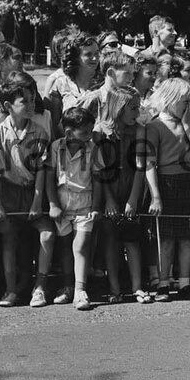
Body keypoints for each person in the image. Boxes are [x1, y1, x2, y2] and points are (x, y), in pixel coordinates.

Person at [141, 77, 190, 301]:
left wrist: (188, 125)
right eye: (185, 102)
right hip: (166, 184)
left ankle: (185, 283)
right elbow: (149, 163)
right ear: (170, 100)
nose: (189, 107)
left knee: (187, 238)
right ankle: (163, 282)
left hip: (189, 182)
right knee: (166, 239)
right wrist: (155, 196)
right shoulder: (155, 126)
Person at [0, 80, 56, 307]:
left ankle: (39, 287)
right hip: (8, 193)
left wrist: (37, 202)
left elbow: (41, 170)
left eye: (33, 100)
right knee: (9, 238)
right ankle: (10, 290)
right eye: (25, 101)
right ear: (9, 105)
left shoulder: (39, 131)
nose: (31, 105)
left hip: (33, 193)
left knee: (47, 234)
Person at [45, 106, 107, 310]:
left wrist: (97, 207)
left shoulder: (93, 149)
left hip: (84, 205)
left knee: (80, 246)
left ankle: (81, 290)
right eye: (85, 131)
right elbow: (49, 179)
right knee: (65, 247)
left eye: (91, 130)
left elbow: (98, 180)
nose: (90, 135)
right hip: (62, 206)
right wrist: (53, 204)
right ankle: (67, 286)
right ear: (69, 132)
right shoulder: (55, 147)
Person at [96, 87, 151, 303]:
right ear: (118, 108)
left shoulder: (139, 130)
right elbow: (101, 169)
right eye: (133, 108)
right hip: (109, 188)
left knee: (132, 239)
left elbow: (140, 166)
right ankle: (115, 289)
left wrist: (133, 199)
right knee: (110, 239)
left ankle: (137, 287)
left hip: (131, 186)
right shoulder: (101, 131)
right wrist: (109, 199)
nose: (137, 113)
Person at [77, 49, 137, 134]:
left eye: (133, 73)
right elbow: (71, 124)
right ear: (111, 73)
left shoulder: (131, 98)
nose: (132, 78)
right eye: (127, 73)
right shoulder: (92, 100)